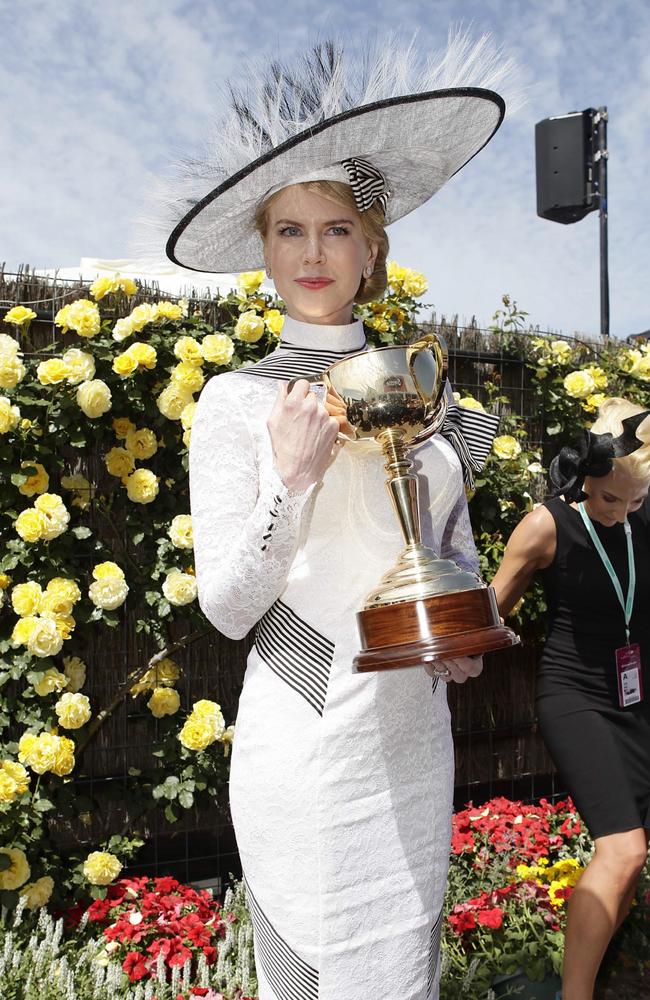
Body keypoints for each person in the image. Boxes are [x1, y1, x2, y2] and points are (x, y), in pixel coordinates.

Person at [167, 35, 516, 1000]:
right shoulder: (238, 402)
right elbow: (231, 610)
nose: (313, 253)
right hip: (305, 749)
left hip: (413, 745)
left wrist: (464, 640)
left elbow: (454, 562)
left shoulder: (431, 397)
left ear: (372, 249)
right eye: (289, 230)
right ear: (264, 251)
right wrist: (293, 480)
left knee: (406, 975)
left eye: (334, 229)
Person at [491, 398, 650, 1000]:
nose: (621, 513)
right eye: (610, 499)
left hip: (639, 697)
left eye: (634, 503)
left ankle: (596, 980)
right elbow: (492, 609)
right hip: (576, 695)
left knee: (629, 863)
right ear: (585, 474)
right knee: (623, 848)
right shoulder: (545, 524)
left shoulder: (640, 511)